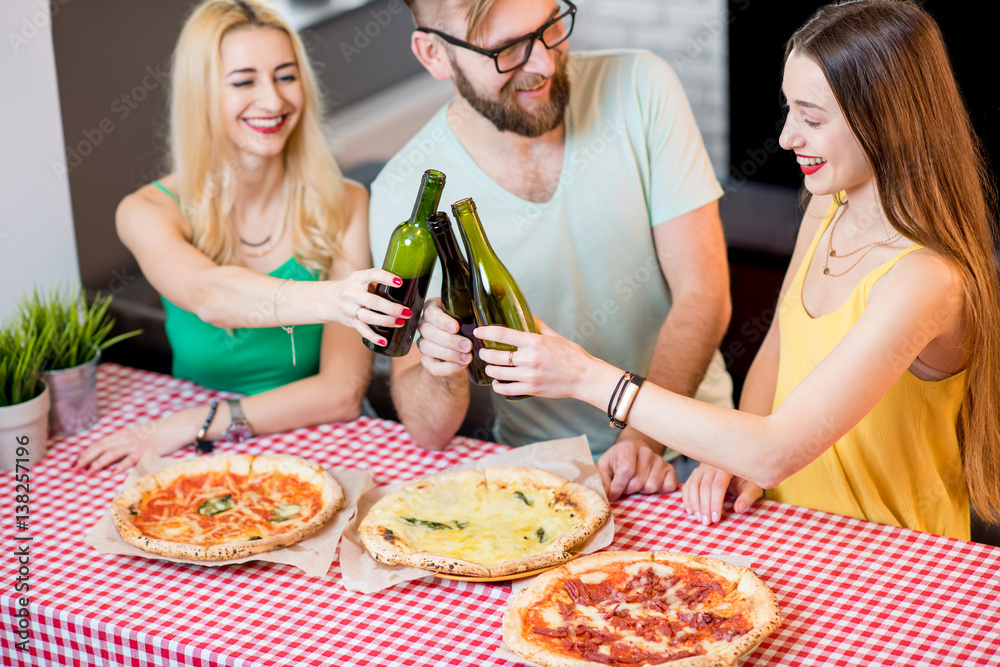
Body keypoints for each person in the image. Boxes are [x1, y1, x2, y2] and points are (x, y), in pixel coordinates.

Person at [472, 0, 1000, 541]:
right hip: (789, 524)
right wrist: (736, 457)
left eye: (813, 118)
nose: (788, 137)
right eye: (789, 109)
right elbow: (776, 347)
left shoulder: (926, 280)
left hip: (893, 556)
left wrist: (587, 376)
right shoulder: (830, 203)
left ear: (889, 122)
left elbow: (774, 450)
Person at [369, 0, 734, 500]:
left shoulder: (642, 85)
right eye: (505, 50)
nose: (542, 63)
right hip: (538, 474)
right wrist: (444, 366)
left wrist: (641, 437)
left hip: (696, 446)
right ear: (433, 54)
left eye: (550, 27)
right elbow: (428, 430)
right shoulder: (402, 194)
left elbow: (704, 295)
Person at [76, 0, 409, 473]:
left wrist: (201, 420)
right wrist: (339, 299)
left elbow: (341, 393)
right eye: (243, 81)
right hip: (197, 457)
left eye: (286, 76)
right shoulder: (147, 211)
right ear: (201, 95)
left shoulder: (346, 201)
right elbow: (210, 296)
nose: (273, 101)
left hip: (314, 443)